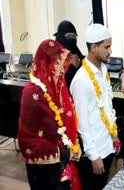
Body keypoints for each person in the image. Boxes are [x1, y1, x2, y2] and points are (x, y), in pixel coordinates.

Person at [18, 39, 81, 190]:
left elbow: (66, 120)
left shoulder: (56, 87)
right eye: (57, 68)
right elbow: (27, 142)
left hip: (63, 165)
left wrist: (74, 146)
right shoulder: (32, 92)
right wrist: (65, 154)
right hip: (44, 171)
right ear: (46, 66)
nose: (60, 73)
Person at [70, 23, 120, 190]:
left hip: (107, 145)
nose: (110, 51)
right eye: (107, 46)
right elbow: (82, 124)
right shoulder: (81, 80)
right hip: (93, 153)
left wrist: (114, 135)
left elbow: (107, 106)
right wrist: (93, 156)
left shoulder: (103, 70)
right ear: (93, 47)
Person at [54, 20, 85, 90]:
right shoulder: (53, 57)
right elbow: (57, 83)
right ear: (61, 37)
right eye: (68, 36)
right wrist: (72, 67)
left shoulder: (78, 55)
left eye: (73, 36)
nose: (71, 39)